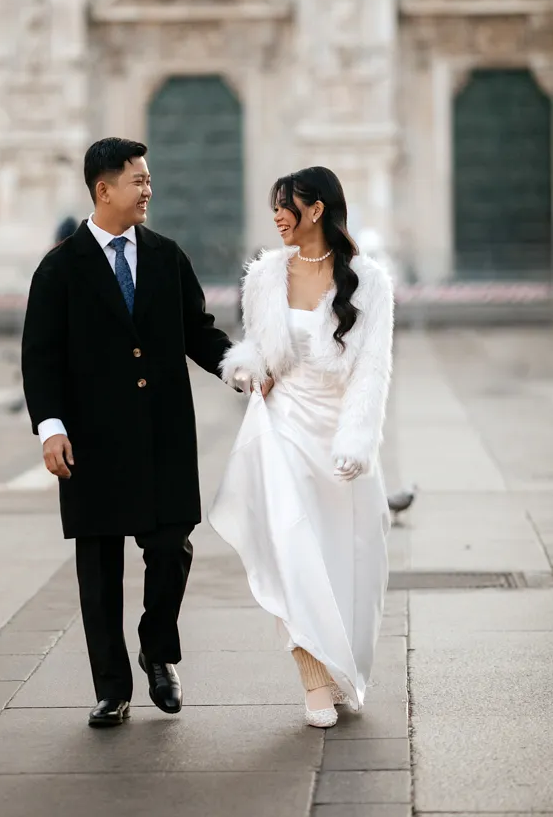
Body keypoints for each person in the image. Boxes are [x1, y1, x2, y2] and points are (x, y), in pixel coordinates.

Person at [21, 137, 231, 728]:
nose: (148, 189)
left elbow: (199, 331)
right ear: (102, 188)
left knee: (171, 549)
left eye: (148, 179)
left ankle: (157, 650)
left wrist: (241, 368)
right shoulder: (60, 268)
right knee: (99, 569)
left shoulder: (166, 256)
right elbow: (40, 358)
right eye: (137, 180)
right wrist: (51, 429)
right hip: (93, 442)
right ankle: (112, 688)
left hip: (164, 433)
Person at [210, 166, 394, 728]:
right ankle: (313, 681)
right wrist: (248, 370)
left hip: (338, 431)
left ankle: (340, 667)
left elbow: (372, 370)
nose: (277, 217)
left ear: (317, 209)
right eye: (274, 207)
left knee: (348, 556)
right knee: (291, 548)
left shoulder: (370, 281)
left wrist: (357, 439)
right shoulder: (265, 275)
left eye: (285, 206)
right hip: (282, 425)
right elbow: (260, 349)